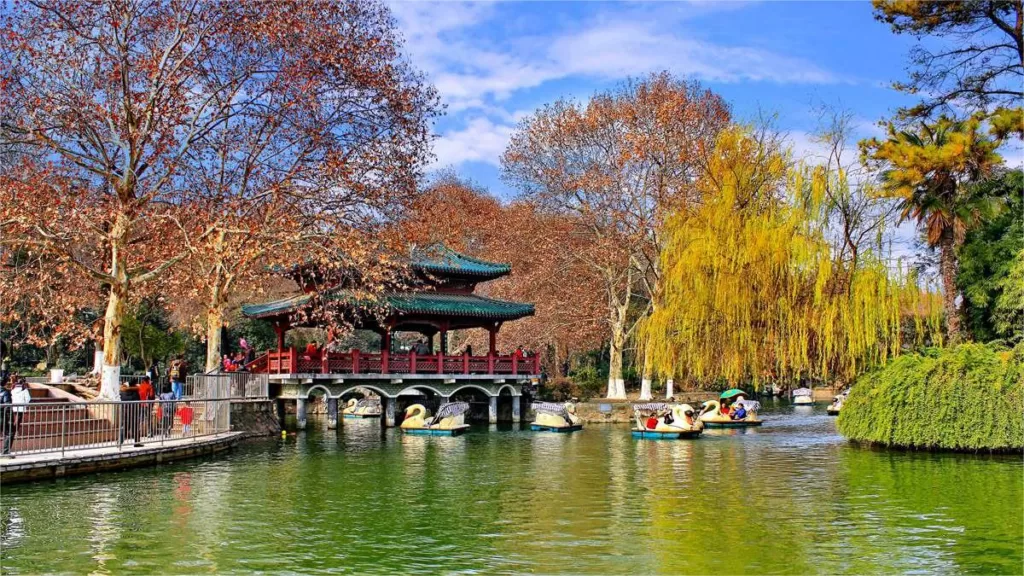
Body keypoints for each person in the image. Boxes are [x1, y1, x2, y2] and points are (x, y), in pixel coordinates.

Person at [119, 382, 143, 447]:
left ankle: (120, 442)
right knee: (135, 428)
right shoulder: (135, 393)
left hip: (125, 412)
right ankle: (137, 443)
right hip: (134, 412)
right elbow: (138, 401)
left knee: (124, 427)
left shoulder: (122, 393)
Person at [0, 379, 13, 456]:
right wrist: (10, 418)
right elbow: (7, 406)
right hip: (2, 416)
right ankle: (5, 452)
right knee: (9, 433)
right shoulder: (5, 392)